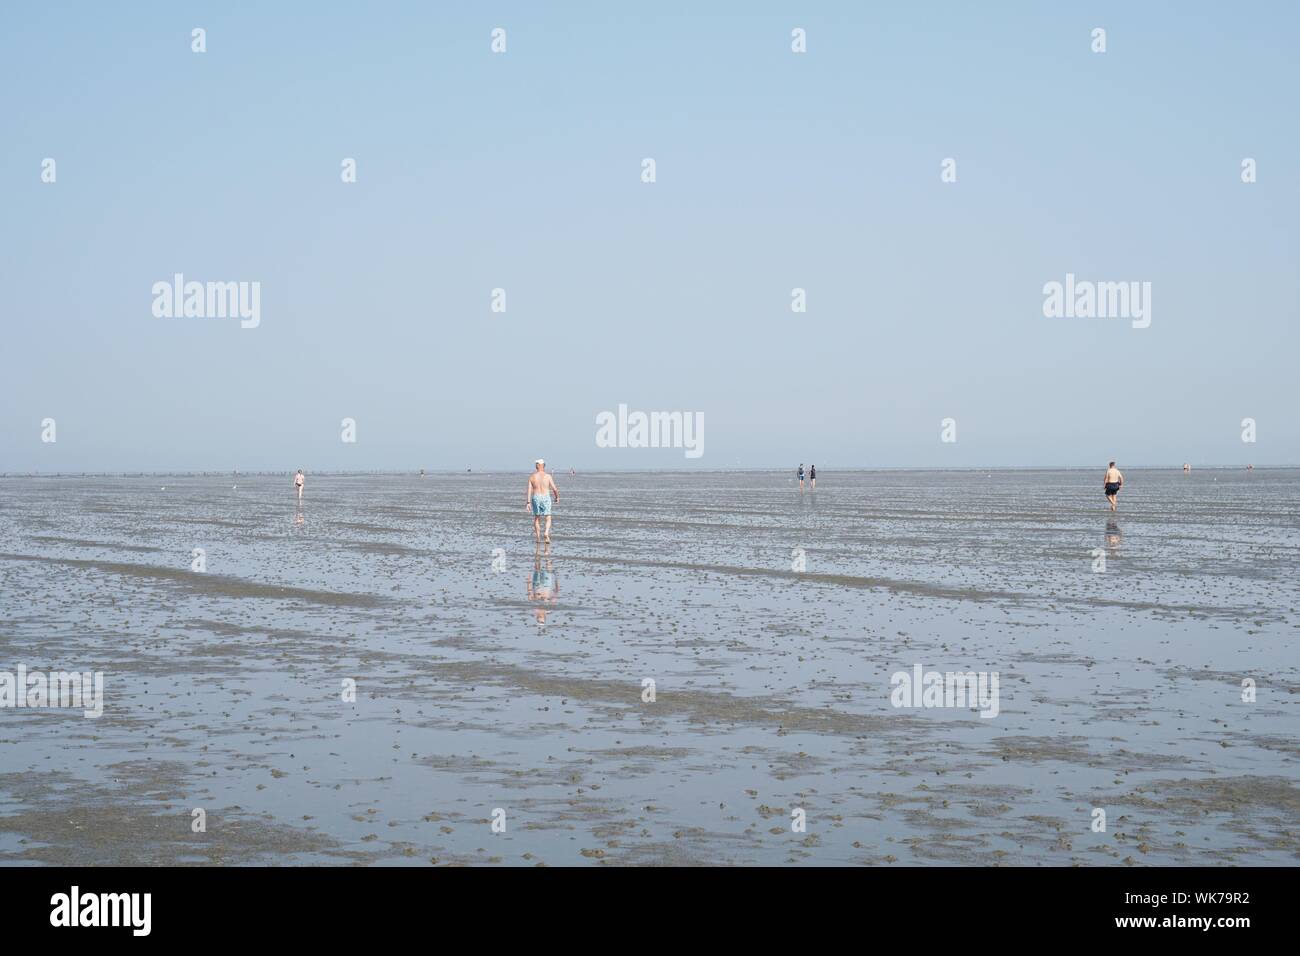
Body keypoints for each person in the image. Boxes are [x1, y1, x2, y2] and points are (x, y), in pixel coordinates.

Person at [526, 459, 560, 543]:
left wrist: (528, 502)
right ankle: (546, 532)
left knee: (537, 518)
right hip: (545, 497)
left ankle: (538, 538)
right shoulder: (548, 476)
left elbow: (529, 490)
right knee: (548, 516)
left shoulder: (532, 477)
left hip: (536, 497)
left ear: (537, 465)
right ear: (543, 465)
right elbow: (554, 489)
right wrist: (557, 497)